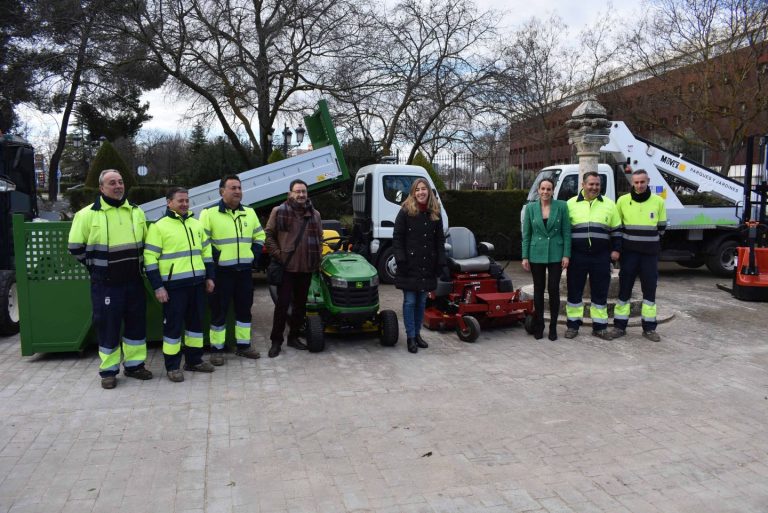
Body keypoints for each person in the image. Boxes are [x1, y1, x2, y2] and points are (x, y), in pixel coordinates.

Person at [68, 169, 153, 389]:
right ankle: (109, 371)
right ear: (102, 188)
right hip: (106, 284)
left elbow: (145, 243)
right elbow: (75, 247)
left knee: (136, 324)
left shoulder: (136, 212)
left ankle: (135, 366)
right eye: (112, 183)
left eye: (120, 182)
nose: (118, 186)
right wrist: (96, 266)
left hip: (134, 281)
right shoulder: (87, 214)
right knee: (108, 327)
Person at [144, 187, 217, 382]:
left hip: (197, 285)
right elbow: (150, 259)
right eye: (180, 201)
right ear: (169, 202)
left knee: (195, 326)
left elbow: (206, 253)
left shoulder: (196, 224)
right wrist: (158, 286)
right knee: (173, 329)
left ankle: (194, 361)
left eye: (187, 200)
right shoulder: (158, 227)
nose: (184, 204)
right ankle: (173, 367)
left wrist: (210, 277)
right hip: (173, 288)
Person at [199, 175, 265, 364]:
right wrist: (216, 259)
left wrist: (254, 253)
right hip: (221, 274)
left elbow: (260, 235)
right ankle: (217, 350)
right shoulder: (208, 213)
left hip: (244, 272)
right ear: (222, 192)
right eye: (233, 188)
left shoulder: (250, 213)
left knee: (245, 310)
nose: (237, 191)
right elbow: (203, 241)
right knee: (219, 312)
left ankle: (243, 346)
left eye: (239, 188)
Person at [265, 179, 323, 358]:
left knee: (300, 307)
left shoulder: (315, 215)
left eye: (304, 191)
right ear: (290, 193)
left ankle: (294, 337)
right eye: (297, 191)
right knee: (282, 306)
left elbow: (319, 238)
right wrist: (278, 254)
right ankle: (276, 341)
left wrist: (317, 256)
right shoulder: (279, 211)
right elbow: (268, 234)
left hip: (306, 268)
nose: (301, 195)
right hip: (286, 267)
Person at [610, 169, 667, 342]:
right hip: (629, 255)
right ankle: (620, 326)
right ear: (632, 183)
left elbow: (662, 228)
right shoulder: (622, 201)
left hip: (649, 256)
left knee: (649, 291)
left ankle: (649, 328)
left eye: (642, 182)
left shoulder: (658, 201)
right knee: (624, 290)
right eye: (636, 182)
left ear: (648, 181)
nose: (639, 185)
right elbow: (617, 227)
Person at [565, 171, 622, 340]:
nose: (594, 187)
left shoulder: (609, 205)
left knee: (600, 292)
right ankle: (573, 326)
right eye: (591, 184)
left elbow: (617, 230)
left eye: (597, 184)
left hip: (601, 256)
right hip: (577, 256)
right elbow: (565, 232)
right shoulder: (570, 204)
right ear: (583, 185)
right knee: (574, 291)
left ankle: (600, 327)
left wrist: (616, 250)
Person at [392, 178, 446, 354]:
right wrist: (401, 260)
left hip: (427, 265)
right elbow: (397, 238)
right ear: (413, 193)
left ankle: (417, 334)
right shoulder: (405, 212)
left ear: (429, 192)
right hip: (409, 265)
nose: (421, 192)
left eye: (424, 189)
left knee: (422, 301)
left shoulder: (434, 213)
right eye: (418, 189)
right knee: (410, 301)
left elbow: (440, 240)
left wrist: (440, 261)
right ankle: (410, 337)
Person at [521, 177, 571, 341]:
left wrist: (566, 254)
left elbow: (566, 232)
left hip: (556, 254)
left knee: (554, 290)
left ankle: (553, 327)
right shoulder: (530, 208)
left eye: (549, 189)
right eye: (543, 189)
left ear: (553, 190)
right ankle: (540, 324)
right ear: (538, 190)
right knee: (538, 290)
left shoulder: (562, 206)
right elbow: (526, 235)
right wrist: (525, 256)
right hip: (536, 253)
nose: (545, 192)